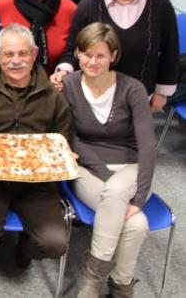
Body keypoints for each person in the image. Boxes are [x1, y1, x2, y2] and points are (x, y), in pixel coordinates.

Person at [0, 24, 71, 272]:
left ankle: (25, 250)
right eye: (8, 55)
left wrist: (66, 155)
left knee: (55, 244)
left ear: (34, 54)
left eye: (22, 54)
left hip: (37, 183)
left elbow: (62, 139)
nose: (16, 61)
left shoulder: (53, 96)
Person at [62, 23, 155, 298]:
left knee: (118, 195)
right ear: (78, 54)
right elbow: (71, 138)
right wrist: (104, 173)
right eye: (87, 54)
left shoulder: (133, 89)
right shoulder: (69, 84)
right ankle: (121, 286)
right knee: (136, 224)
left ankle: (91, 283)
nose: (93, 62)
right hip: (88, 169)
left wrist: (138, 199)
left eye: (100, 55)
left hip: (132, 168)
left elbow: (148, 145)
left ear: (113, 56)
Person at [50, 0, 178, 112]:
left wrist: (162, 93)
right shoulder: (88, 4)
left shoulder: (160, 4)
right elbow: (73, 48)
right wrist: (64, 71)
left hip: (140, 98)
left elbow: (170, 52)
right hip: (92, 98)